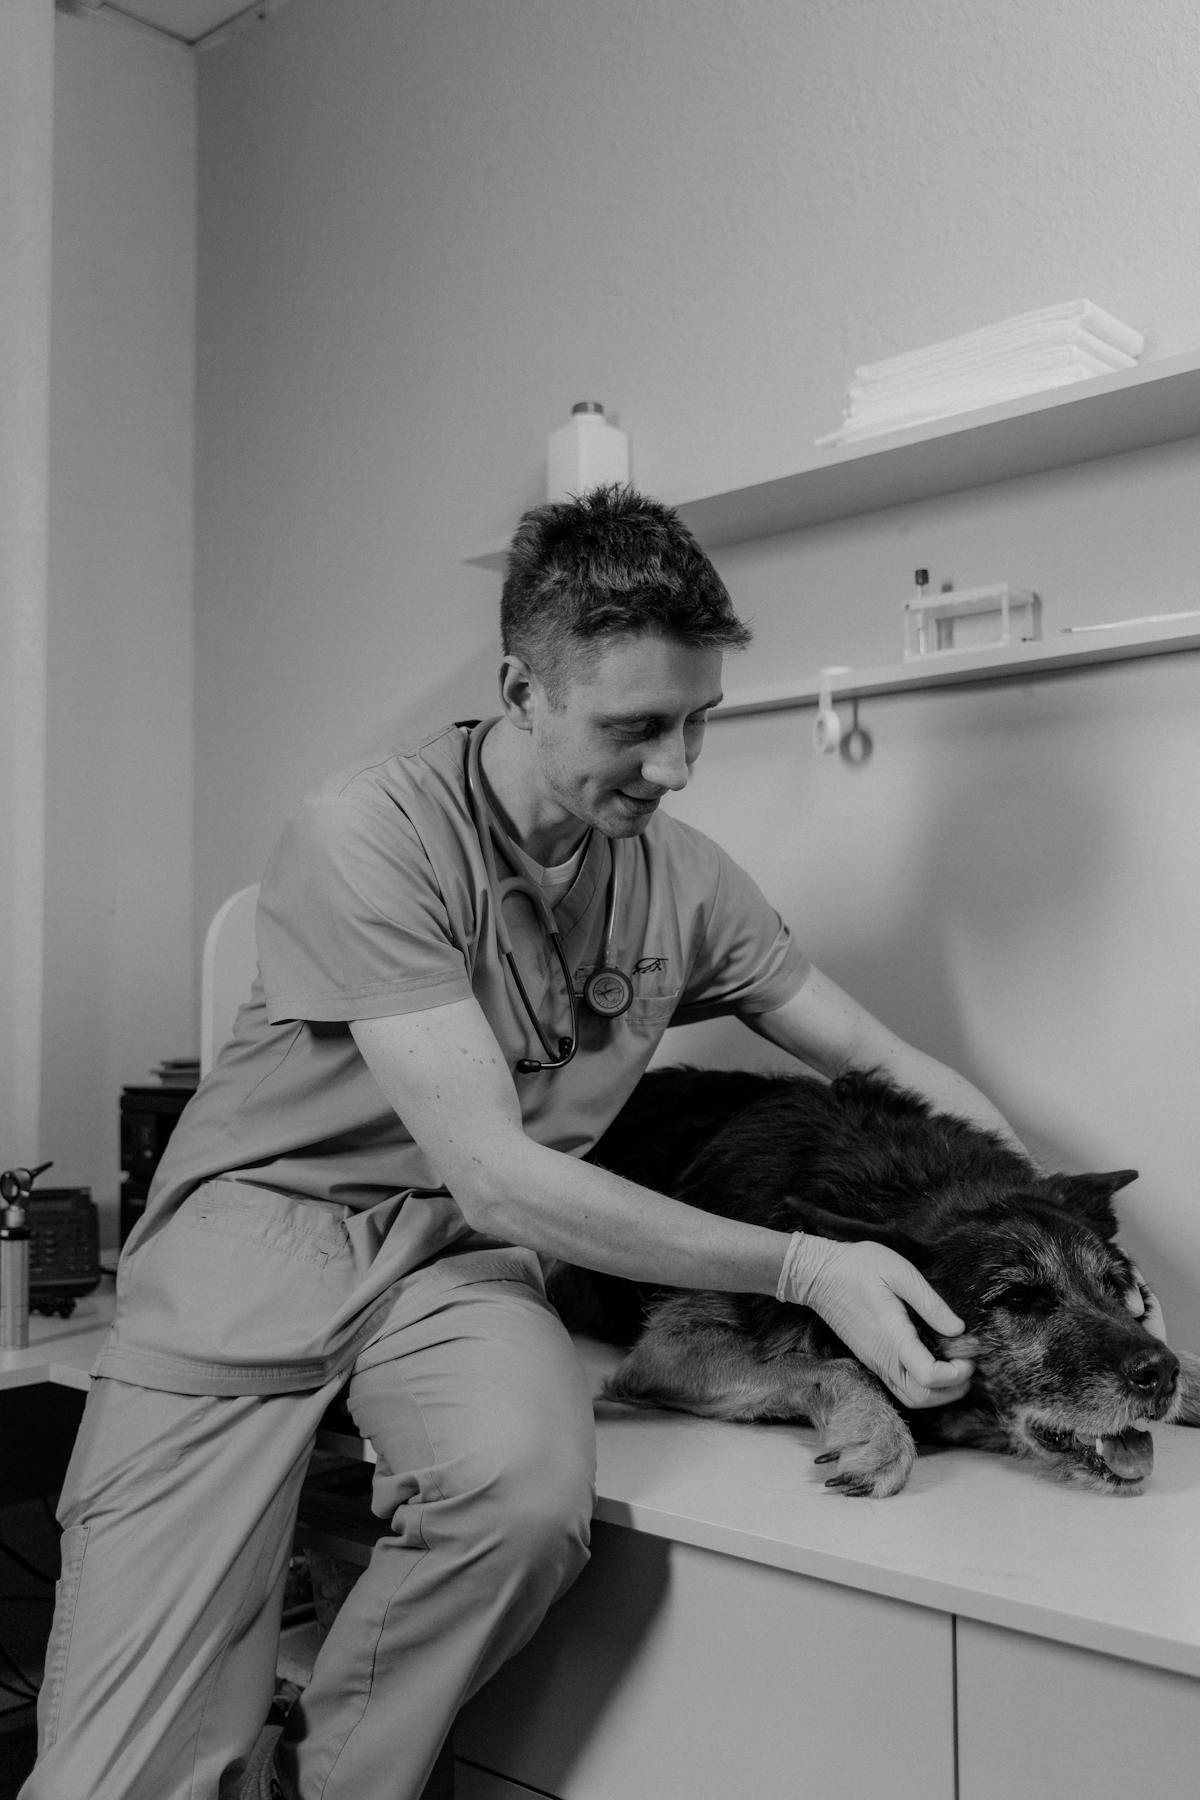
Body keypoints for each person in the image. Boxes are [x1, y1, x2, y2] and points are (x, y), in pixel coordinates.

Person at [25, 485, 1037, 1800]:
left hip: (461, 1260)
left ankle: (333, 1778)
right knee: (121, 1778)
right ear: (520, 687)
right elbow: (495, 1159)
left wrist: (1050, 1231)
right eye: (636, 729)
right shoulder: (370, 834)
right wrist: (805, 1266)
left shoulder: (682, 879)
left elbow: (886, 1065)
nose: (676, 768)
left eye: (697, 723)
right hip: (263, 1238)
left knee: (522, 1497)